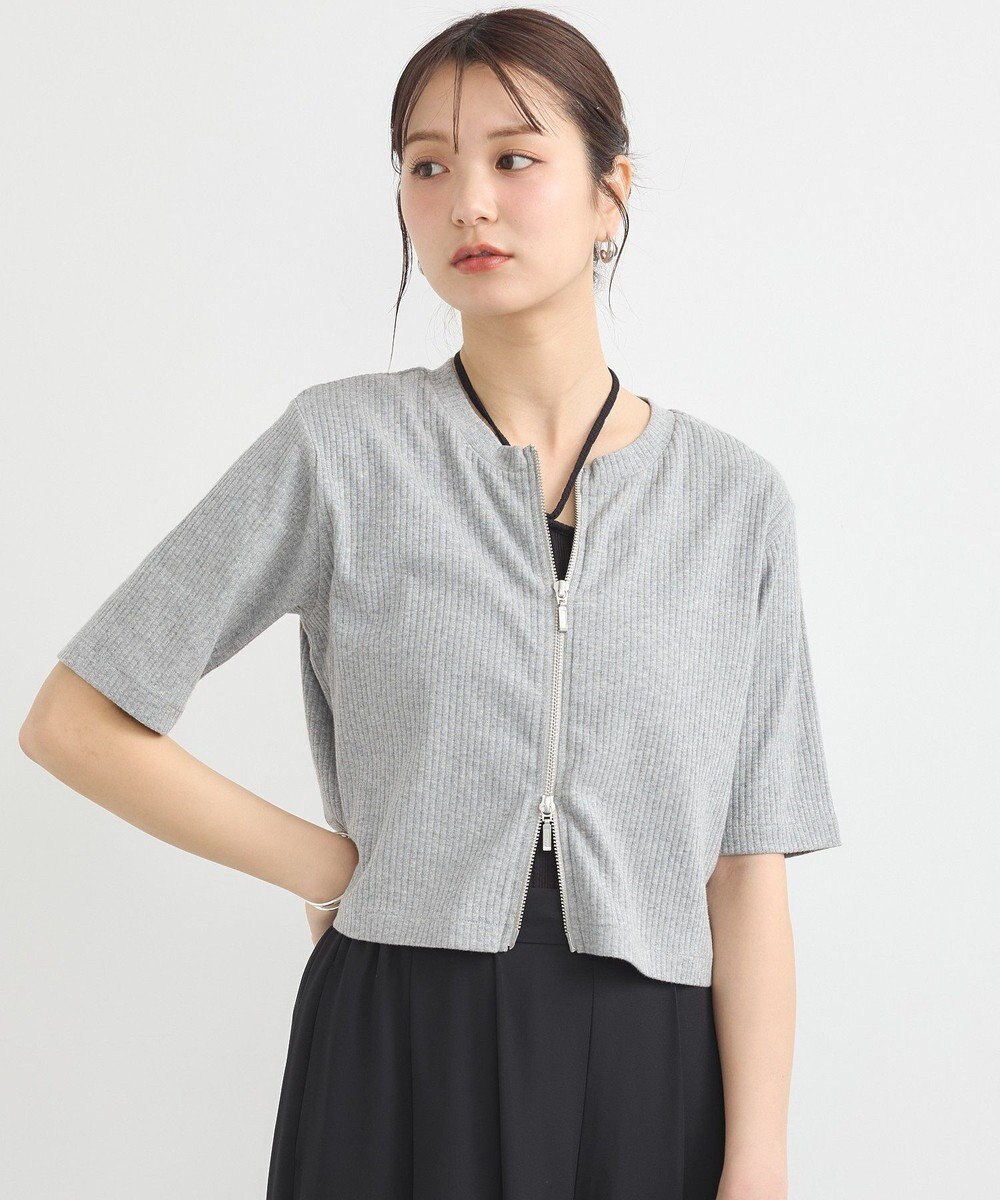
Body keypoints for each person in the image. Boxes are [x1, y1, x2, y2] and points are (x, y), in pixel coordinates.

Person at [19, 10, 842, 1200]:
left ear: (609, 193)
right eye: (427, 165)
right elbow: (75, 720)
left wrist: (757, 1162)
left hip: (649, 1063)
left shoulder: (733, 502)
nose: (469, 203)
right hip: (396, 1042)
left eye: (515, 158)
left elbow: (745, 869)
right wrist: (326, 863)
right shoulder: (339, 450)